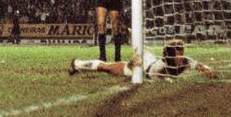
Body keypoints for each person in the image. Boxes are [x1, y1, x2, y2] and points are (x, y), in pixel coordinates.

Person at [68, 39, 217, 80]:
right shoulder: (160, 68)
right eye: (179, 53)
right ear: (171, 56)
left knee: (141, 49)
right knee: (106, 67)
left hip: (148, 58)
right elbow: (160, 79)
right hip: (138, 68)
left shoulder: (184, 61)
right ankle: (76, 64)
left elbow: (199, 65)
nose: (182, 56)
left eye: (182, 52)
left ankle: (134, 38)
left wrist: (207, 70)